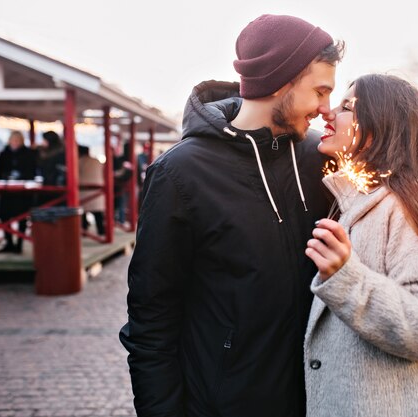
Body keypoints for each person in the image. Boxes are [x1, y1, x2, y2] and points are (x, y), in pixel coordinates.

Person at [120, 14, 343, 417]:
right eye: (320, 91)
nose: (326, 108)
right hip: (226, 403)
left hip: (323, 401)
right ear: (281, 81)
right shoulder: (180, 174)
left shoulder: (321, 160)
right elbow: (151, 317)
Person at [303, 74, 418, 417]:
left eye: (347, 107)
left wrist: (346, 277)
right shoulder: (360, 202)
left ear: (379, 128)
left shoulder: (411, 209)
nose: (329, 113)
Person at [0, 131, 37, 253]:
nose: (15, 143)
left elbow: (32, 171)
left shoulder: (28, 154)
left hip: (22, 193)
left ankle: (19, 244)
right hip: (6, 191)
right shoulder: (4, 154)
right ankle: (9, 243)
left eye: (17, 141)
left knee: (22, 218)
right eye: (13, 140)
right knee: (4, 216)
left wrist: (21, 176)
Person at [78, 145, 105, 236]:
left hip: (83, 189)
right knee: (98, 213)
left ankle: (84, 230)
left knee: (83, 212)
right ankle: (101, 230)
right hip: (98, 190)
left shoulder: (79, 161)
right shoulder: (97, 161)